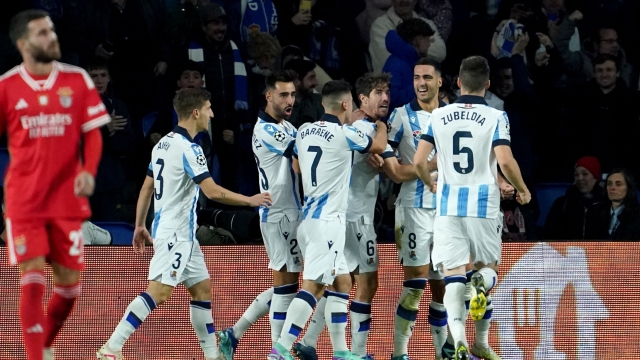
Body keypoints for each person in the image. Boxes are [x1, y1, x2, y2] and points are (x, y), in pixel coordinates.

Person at [96, 89, 272, 360]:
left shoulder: (162, 144)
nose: (212, 114)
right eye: (209, 108)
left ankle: (213, 355)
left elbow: (146, 188)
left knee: (202, 289)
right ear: (196, 112)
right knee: (159, 291)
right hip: (176, 233)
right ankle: (111, 348)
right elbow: (212, 191)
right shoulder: (191, 149)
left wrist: (140, 224)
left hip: (180, 233)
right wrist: (250, 200)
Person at [0, 10, 110, 360]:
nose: (52, 36)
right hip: (24, 200)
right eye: (42, 32)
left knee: (68, 288)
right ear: (23, 44)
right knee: (31, 277)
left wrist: (89, 170)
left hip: (66, 201)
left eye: (52, 29)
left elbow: (92, 132)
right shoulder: (6, 86)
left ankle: (45, 344)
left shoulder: (77, 79)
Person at [414, 55, 531, 360]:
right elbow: (504, 159)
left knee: (453, 276)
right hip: (483, 205)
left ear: (458, 82)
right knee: (487, 269)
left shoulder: (438, 115)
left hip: (448, 206)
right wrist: (521, 188)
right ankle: (480, 291)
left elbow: (418, 162)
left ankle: (461, 343)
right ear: (488, 84)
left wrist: (430, 181)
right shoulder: (496, 116)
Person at [268, 80, 388, 360]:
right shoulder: (344, 134)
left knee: (342, 282)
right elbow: (379, 145)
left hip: (307, 218)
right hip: (327, 222)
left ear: (323, 104)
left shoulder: (304, 131)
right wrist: (381, 125)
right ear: (347, 104)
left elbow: (297, 164)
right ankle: (280, 349)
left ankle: (342, 351)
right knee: (313, 286)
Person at [216, 71, 302, 359]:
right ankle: (277, 351)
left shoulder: (287, 125)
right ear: (268, 96)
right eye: (283, 95)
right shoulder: (266, 129)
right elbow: (303, 152)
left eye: (292, 94)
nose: (290, 100)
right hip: (278, 214)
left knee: (287, 285)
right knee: (288, 287)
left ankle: (234, 333)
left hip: (292, 212)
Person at [372, 58, 448, 360]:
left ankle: (443, 350)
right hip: (413, 208)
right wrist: (378, 159)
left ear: (439, 81)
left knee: (444, 286)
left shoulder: (450, 116)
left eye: (428, 77)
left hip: (446, 211)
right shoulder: (402, 116)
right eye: (417, 77)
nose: (421, 83)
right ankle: (400, 353)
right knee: (416, 283)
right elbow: (384, 156)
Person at [543, 156, 606, 240]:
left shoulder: (606, 204)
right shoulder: (562, 204)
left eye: (585, 174)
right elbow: (549, 235)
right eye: (576, 174)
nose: (579, 178)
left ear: (596, 177)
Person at [591, 168, 640, 240]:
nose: (612, 188)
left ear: (628, 188)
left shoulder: (637, 215)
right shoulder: (596, 212)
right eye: (609, 184)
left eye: (618, 184)